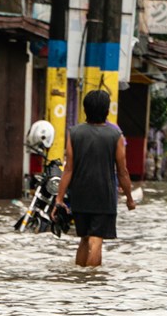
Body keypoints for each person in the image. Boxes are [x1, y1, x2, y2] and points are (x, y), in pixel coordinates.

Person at [52, 90, 135, 267]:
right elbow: (122, 172)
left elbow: (68, 170)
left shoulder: (73, 133)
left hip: (79, 195)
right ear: (106, 111)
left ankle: (80, 279)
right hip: (104, 195)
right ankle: (92, 283)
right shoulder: (115, 136)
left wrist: (59, 199)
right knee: (96, 240)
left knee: (84, 239)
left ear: (85, 109)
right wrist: (129, 198)